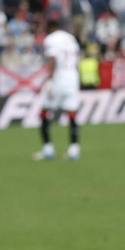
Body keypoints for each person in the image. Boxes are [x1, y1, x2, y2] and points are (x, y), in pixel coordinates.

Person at [36, 18, 84, 161]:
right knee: (72, 113)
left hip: (58, 78)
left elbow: (53, 58)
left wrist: (50, 79)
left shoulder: (51, 39)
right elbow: (76, 60)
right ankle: (74, 149)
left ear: (49, 28)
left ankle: (48, 149)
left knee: (44, 111)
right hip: (72, 78)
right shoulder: (71, 39)